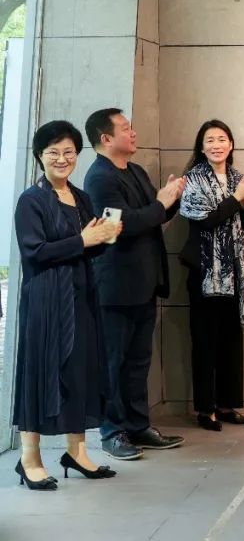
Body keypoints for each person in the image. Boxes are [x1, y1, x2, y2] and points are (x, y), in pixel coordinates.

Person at [11, 121, 122, 490]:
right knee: (40, 373)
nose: (62, 159)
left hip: (81, 296)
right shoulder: (31, 200)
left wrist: (105, 237)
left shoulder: (81, 197)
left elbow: (86, 248)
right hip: (45, 300)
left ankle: (77, 452)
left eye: (69, 152)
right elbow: (34, 252)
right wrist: (83, 239)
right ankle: (29, 459)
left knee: (80, 372)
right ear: (39, 156)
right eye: (53, 152)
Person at [83, 109, 186, 460]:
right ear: (105, 138)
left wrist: (172, 198)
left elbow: (153, 217)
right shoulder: (99, 178)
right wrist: (160, 203)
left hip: (145, 282)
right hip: (116, 287)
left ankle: (139, 425)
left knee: (138, 361)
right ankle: (112, 432)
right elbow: (119, 227)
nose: (133, 133)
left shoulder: (136, 171)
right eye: (126, 128)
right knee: (113, 362)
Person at [180, 120, 244, 431]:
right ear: (201, 148)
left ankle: (227, 406)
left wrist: (243, 202)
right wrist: (235, 198)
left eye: (222, 139)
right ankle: (205, 409)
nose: (216, 145)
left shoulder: (238, 179)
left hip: (236, 273)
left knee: (231, 340)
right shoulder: (193, 179)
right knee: (205, 341)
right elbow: (205, 221)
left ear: (231, 145)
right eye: (210, 140)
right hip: (205, 272)